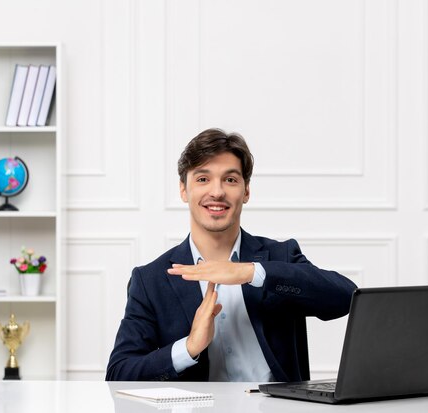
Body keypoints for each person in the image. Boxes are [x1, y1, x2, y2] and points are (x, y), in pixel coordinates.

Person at [105, 128, 357, 382]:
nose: (217, 192)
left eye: (230, 180)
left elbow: (346, 298)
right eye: (203, 179)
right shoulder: (150, 280)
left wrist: (251, 272)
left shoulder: (280, 256)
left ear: (246, 191)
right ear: (183, 189)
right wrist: (189, 347)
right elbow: (119, 373)